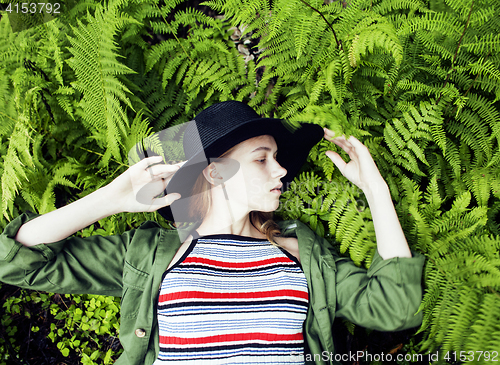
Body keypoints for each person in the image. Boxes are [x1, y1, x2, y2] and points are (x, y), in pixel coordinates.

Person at [0, 101, 425, 364]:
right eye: (262, 159)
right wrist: (110, 200)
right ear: (215, 171)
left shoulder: (301, 254)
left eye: (278, 158)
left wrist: (376, 190)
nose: (281, 171)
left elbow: (396, 307)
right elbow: (16, 259)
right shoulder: (151, 254)